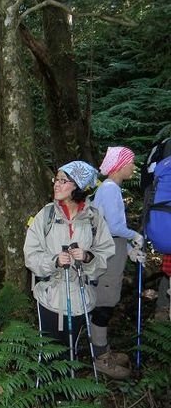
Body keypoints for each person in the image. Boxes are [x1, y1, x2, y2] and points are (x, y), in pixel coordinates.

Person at [24, 161, 115, 363]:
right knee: (48, 355)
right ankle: (47, 393)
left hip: (82, 298)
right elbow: (30, 254)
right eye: (56, 179)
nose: (56, 184)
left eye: (63, 180)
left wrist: (88, 257)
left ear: (78, 186)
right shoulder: (45, 216)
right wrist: (54, 261)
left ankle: (66, 393)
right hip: (51, 297)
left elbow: (105, 250)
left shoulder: (94, 218)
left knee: (70, 352)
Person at [91, 147, 145, 378]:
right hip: (109, 254)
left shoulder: (107, 188)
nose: (133, 167)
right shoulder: (111, 189)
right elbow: (113, 227)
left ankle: (103, 350)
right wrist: (134, 236)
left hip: (112, 250)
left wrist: (130, 248)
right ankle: (100, 358)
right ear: (121, 165)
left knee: (106, 301)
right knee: (104, 303)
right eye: (131, 163)